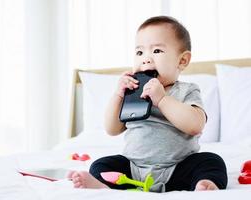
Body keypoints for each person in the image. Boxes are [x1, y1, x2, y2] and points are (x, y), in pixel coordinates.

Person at [67, 16, 227, 192]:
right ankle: (103, 186)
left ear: (182, 60)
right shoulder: (133, 92)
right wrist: (118, 96)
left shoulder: (187, 90)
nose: (146, 59)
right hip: (133, 169)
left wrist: (162, 100)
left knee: (212, 161)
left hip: (178, 168)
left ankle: (203, 185)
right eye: (139, 52)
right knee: (101, 165)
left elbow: (195, 125)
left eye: (157, 51)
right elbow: (112, 129)